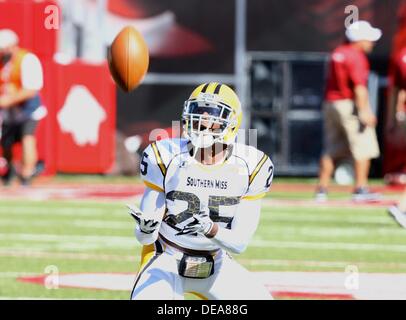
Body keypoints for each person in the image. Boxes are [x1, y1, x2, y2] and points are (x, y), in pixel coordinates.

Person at [128, 82, 274, 300]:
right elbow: (144, 238)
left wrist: (209, 229)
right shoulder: (165, 155)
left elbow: (239, 243)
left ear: (232, 121)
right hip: (166, 257)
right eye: (198, 112)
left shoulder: (252, 165)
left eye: (213, 115)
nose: (204, 120)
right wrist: (146, 229)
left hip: (217, 262)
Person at [315, 21, 382, 202]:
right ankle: (360, 188)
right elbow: (359, 88)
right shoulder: (355, 56)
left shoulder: (338, 52)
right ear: (358, 39)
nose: (371, 43)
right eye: (368, 39)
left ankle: (321, 189)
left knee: (331, 149)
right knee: (364, 146)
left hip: (331, 103)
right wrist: (365, 112)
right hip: (348, 105)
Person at [0, 29, 46, 186]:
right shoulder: (2, 62)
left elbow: (31, 89)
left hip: (27, 110)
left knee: (27, 138)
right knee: (6, 142)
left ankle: (27, 174)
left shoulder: (27, 60)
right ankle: (10, 171)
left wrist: (9, 100)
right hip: (7, 112)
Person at [388, 46, 406, 228]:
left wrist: (395, 118)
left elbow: (398, 91)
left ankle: (402, 207)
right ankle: (402, 207)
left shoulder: (401, 56)